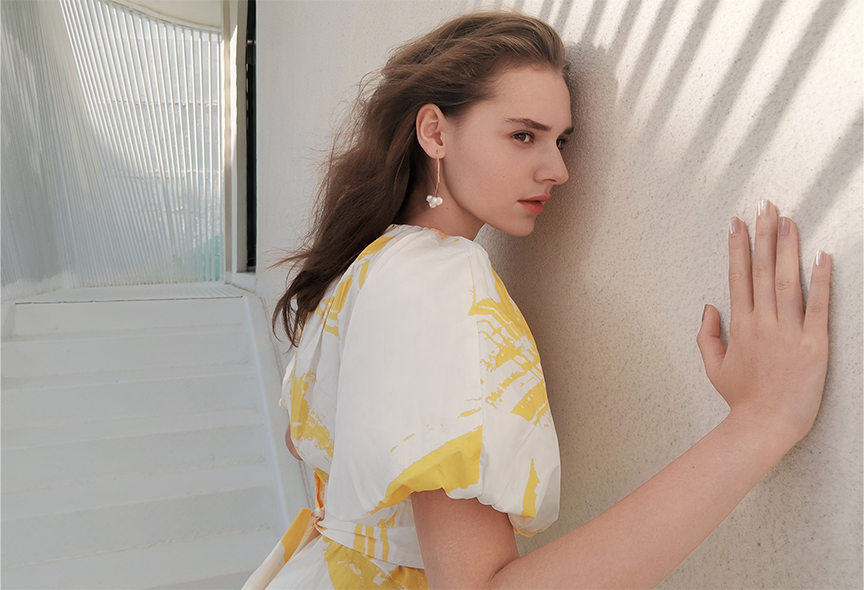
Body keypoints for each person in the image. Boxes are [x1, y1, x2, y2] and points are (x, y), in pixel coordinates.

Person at [243, 10, 832, 590]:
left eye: (561, 140)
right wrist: (760, 423)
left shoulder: (368, 267)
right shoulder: (437, 281)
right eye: (523, 135)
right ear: (435, 133)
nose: (558, 170)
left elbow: (305, 442)